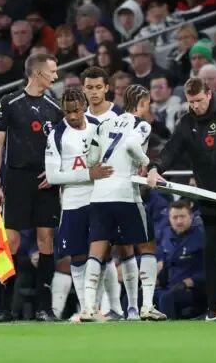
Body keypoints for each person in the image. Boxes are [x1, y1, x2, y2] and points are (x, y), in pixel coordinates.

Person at [147, 77, 216, 321]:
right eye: (191, 102)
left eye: (199, 100)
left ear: (209, 94)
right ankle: (214, 308)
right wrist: (155, 168)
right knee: (210, 254)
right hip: (210, 197)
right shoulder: (186, 122)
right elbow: (171, 149)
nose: (195, 106)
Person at [82, 84, 167, 322]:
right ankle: (147, 306)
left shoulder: (105, 123)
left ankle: (88, 308)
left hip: (100, 194)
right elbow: (131, 145)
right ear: (143, 103)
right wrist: (145, 162)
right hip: (126, 193)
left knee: (97, 249)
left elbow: (91, 158)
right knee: (147, 246)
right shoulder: (142, 125)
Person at [0, 53, 63, 322]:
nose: (56, 76)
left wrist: (56, 174)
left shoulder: (55, 108)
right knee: (10, 241)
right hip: (16, 179)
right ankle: (3, 307)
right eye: (52, 71)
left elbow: (64, 147)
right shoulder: (9, 102)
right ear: (37, 73)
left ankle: (45, 307)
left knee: (46, 240)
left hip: (45, 181)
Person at [45, 87, 113, 319]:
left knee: (102, 255)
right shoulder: (57, 135)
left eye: (76, 110)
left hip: (100, 199)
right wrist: (88, 174)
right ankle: (86, 307)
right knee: (78, 256)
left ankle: (103, 307)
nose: (72, 116)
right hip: (73, 202)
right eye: (67, 112)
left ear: (84, 106)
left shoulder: (99, 126)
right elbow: (53, 176)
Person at [80, 66, 127, 319]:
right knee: (95, 249)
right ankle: (100, 307)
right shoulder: (78, 118)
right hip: (85, 190)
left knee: (115, 248)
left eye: (99, 87)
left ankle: (119, 307)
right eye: (89, 87)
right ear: (83, 89)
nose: (94, 92)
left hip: (115, 189)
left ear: (107, 88)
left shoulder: (119, 115)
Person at [157, 200, 206, 320]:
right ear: (169, 218)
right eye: (175, 217)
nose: (179, 221)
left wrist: (189, 282)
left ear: (191, 217)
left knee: (166, 298)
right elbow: (166, 267)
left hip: (193, 289)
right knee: (139, 295)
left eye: (182, 217)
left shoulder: (201, 237)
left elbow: (210, 269)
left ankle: (168, 329)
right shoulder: (166, 236)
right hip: (169, 286)